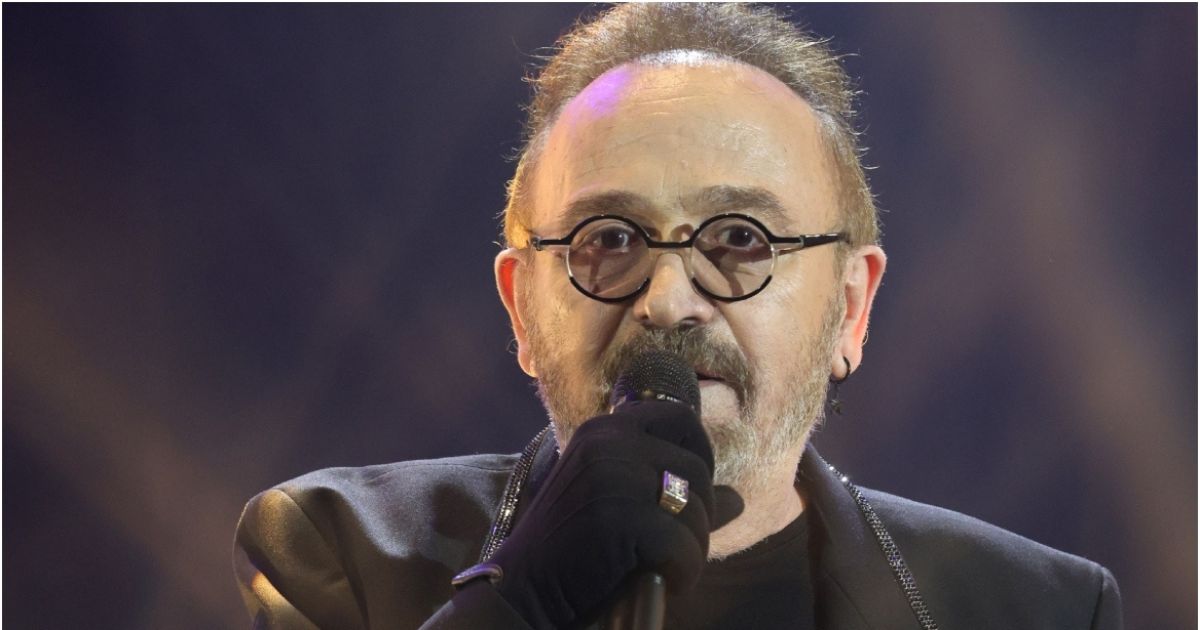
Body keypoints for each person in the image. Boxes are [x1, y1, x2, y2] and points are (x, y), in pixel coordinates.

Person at [233, 5, 1122, 629]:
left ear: (850, 309)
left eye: (739, 238)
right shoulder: (341, 548)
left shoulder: (1035, 609)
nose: (666, 300)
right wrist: (516, 603)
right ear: (521, 307)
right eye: (609, 239)